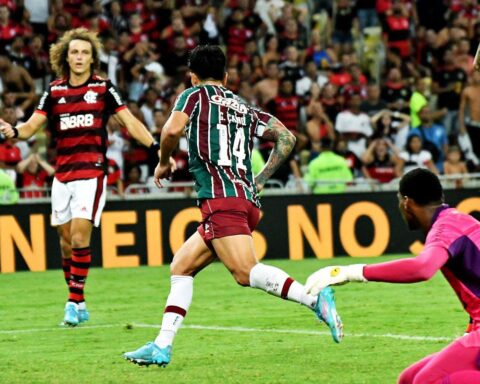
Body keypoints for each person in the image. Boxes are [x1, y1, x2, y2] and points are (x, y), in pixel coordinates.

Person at [123, 45, 343, 368]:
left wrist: (164, 160)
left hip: (221, 200)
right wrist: (262, 178)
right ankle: (161, 345)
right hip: (244, 199)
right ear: (226, 77)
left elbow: (171, 129)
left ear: (192, 77)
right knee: (181, 267)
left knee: (245, 272)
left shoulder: (193, 96)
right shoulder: (243, 106)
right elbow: (286, 138)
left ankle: (314, 298)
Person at [0, 28, 168, 327]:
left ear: (92, 59)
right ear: (66, 56)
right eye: (74, 52)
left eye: (85, 53)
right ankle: (79, 300)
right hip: (62, 175)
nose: (79, 57)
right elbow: (31, 127)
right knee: (66, 243)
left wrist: (155, 148)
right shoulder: (53, 91)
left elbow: (129, 121)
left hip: (91, 171)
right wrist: (13, 131)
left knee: (79, 234)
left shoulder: (104, 89)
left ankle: (73, 301)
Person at [305, 168, 480, 384]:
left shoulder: (445, 228)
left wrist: (350, 272)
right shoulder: (457, 220)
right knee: (408, 379)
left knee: (426, 380)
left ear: (406, 202)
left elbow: (422, 268)